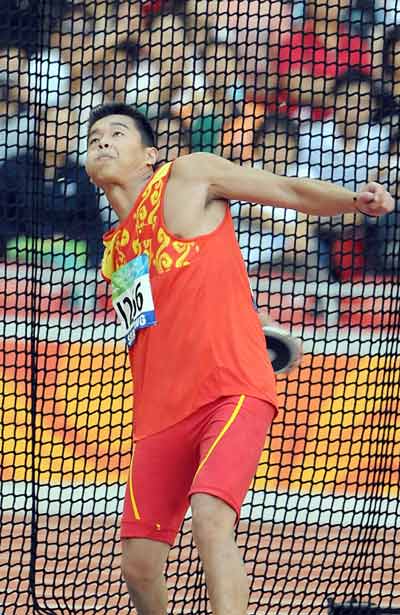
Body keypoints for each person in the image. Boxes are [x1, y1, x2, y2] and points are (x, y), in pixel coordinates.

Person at [84, 102, 394, 615]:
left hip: (230, 389)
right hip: (161, 415)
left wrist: (354, 201)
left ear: (150, 154)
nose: (102, 141)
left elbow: (287, 190)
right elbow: (154, 327)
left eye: (117, 132)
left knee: (210, 519)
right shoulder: (114, 252)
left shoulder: (188, 176)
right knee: (137, 569)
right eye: (94, 135)